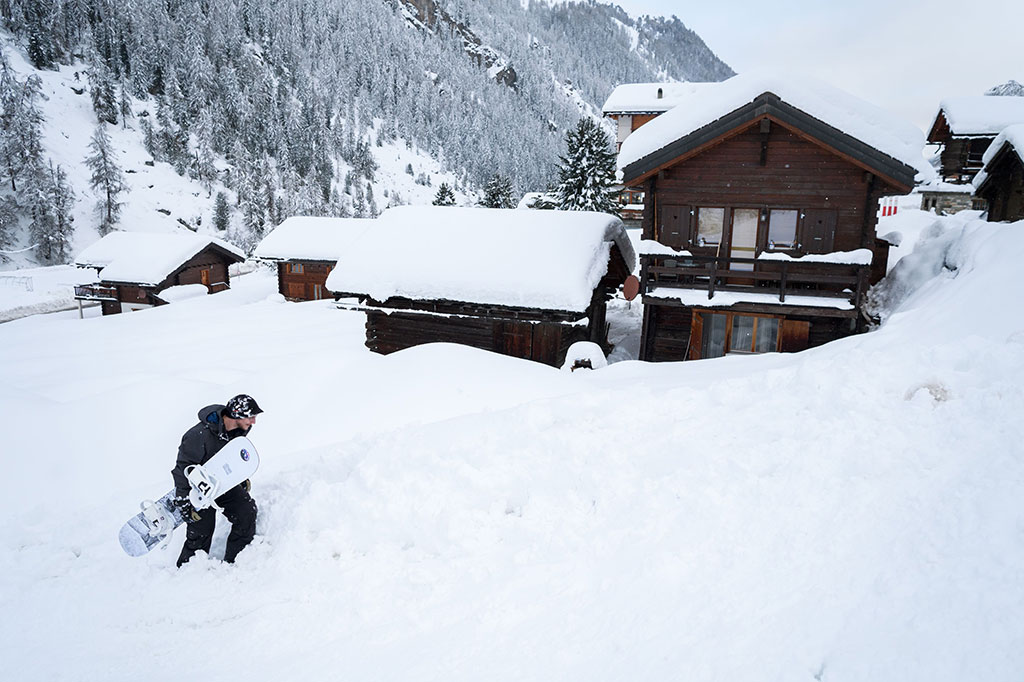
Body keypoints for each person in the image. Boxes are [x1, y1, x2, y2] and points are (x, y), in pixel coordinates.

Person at [172, 394, 262, 567]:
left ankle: (236, 562)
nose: (253, 422)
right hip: (196, 490)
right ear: (238, 414)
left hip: (222, 485)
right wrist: (185, 499)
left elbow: (231, 460)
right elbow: (183, 467)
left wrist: (239, 478)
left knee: (246, 511)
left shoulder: (239, 432)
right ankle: (187, 573)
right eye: (251, 417)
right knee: (202, 530)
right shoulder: (198, 435)